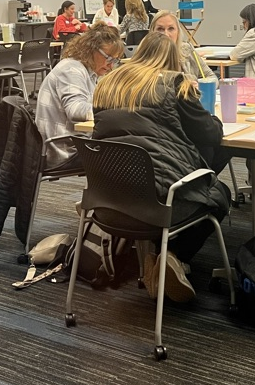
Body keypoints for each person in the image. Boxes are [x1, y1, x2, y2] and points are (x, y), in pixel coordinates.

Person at [92, 31, 229, 303]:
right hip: (161, 199)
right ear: (173, 59)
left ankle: (160, 260)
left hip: (109, 198)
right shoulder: (175, 83)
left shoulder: (107, 84)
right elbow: (209, 134)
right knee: (219, 195)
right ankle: (173, 256)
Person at [35, 24, 124, 166]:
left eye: (115, 60)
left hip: (72, 142)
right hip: (62, 150)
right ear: (91, 50)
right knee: (126, 152)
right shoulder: (71, 69)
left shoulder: (88, 71)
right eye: (108, 58)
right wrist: (112, 111)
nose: (111, 66)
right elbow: (75, 110)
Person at [151, 10, 217, 82]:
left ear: (178, 32)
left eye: (171, 29)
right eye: (160, 29)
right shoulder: (146, 58)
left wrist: (199, 86)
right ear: (152, 32)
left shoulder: (187, 49)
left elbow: (211, 77)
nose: (166, 34)